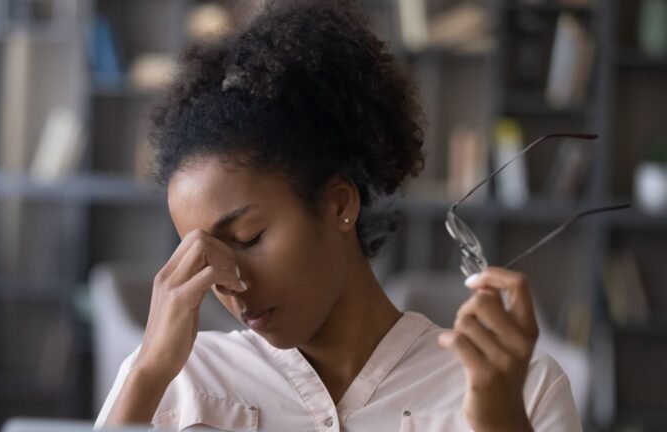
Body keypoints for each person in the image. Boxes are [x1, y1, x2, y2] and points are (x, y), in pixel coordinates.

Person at [95, 1, 582, 430]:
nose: (229, 282)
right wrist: (147, 372)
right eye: (202, 257)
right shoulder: (174, 385)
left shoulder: (520, 391)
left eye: (247, 237)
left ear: (339, 204)